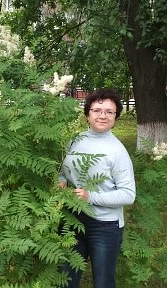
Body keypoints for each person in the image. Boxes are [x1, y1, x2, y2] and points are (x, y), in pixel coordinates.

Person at [58, 88, 136, 288]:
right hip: (71, 219)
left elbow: (128, 195)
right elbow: (63, 169)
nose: (103, 115)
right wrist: (61, 180)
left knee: (103, 282)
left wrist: (90, 197)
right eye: (97, 110)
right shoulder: (76, 140)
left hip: (104, 226)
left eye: (109, 112)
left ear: (115, 117)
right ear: (87, 114)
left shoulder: (117, 151)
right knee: (65, 279)